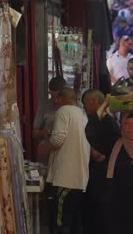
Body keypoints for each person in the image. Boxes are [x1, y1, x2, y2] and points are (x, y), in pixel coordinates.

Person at [46, 87, 90, 234]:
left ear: (61, 98)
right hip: (80, 177)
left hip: (66, 177)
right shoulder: (82, 113)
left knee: (61, 221)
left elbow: (57, 140)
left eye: (57, 98)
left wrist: (48, 140)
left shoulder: (63, 111)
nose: (56, 101)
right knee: (74, 220)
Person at [82, 90, 120, 234]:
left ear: (94, 103)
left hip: (102, 173)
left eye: (85, 103)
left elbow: (113, 146)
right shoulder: (98, 120)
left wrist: (99, 153)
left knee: (98, 211)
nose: (84, 107)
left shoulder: (107, 122)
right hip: (96, 170)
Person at [32, 77, 66, 164]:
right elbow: (34, 133)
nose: (55, 101)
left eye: (58, 97)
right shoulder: (44, 105)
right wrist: (43, 133)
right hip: (48, 151)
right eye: (52, 96)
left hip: (66, 152)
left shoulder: (77, 107)